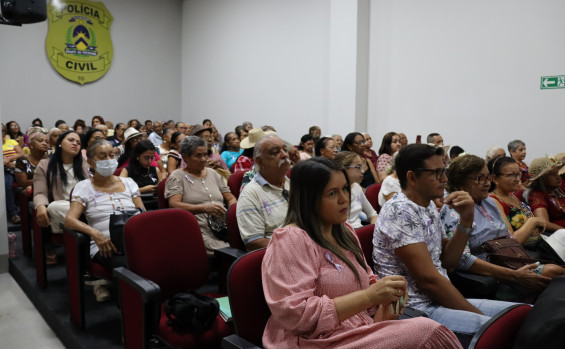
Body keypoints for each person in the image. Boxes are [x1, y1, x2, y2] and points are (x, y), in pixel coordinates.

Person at [262, 158, 463, 349]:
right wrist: (369, 297)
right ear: (308, 199)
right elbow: (297, 316)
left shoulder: (344, 230)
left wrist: (387, 295)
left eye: (344, 189)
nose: (344, 199)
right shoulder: (291, 240)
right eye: (332, 193)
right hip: (315, 341)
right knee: (426, 331)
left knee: (425, 330)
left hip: (356, 329)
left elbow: (366, 277)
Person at [373, 143, 518, 340]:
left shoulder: (427, 205)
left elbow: (448, 262)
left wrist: (466, 219)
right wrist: (482, 318)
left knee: (526, 313)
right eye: (437, 173)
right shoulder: (400, 211)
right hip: (415, 310)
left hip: (438, 301)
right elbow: (429, 281)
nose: (444, 179)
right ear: (412, 177)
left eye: (445, 171)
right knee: (507, 330)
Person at [441, 154, 562, 299]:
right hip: (492, 275)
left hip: (511, 262)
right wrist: (514, 275)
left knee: (558, 273)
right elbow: (462, 259)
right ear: (461, 184)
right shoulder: (453, 210)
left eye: (488, 177)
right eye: (480, 178)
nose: (487, 183)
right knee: (554, 273)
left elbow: (508, 239)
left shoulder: (489, 202)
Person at [65, 139, 145, 302]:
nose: (109, 160)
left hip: (134, 240)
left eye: (111, 155)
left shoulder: (128, 183)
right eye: (102, 156)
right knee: (134, 266)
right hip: (106, 245)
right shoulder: (84, 187)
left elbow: (142, 212)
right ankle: (132, 312)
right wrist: (95, 234)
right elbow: (70, 220)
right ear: (91, 162)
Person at [165, 136, 237, 255]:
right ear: (185, 157)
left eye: (205, 154)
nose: (203, 159)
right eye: (198, 155)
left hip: (223, 227)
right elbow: (174, 205)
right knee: (231, 252)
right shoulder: (177, 177)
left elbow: (230, 198)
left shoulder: (213, 173)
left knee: (248, 245)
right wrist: (204, 208)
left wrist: (231, 214)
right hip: (198, 230)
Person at [34, 131, 90, 264]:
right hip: (64, 206)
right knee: (54, 207)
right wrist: (41, 206)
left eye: (78, 142)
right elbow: (39, 192)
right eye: (71, 140)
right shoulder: (45, 164)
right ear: (59, 143)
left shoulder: (85, 163)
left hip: (85, 205)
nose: (75, 144)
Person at [236, 135, 291, 251]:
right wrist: (293, 247)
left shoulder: (292, 184)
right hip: (280, 256)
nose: (284, 155)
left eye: (285, 150)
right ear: (260, 162)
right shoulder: (251, 195)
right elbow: (254, 243)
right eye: (275, 152)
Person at [488, 156, 546, 243]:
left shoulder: (512, 196)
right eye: (511, 175)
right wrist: (534, 221)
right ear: (495, 178)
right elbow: (512, 240)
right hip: (522, 252)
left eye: (518, 174)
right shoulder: (493, 201)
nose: (517, 179)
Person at [334, 151, 378, 228]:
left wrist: (372, 230)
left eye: (362, 167)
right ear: (344, 169)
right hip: (346, 234)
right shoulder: (334, 193)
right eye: (358, 167)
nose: (363, 171)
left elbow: (372, 214)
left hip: (360, 231)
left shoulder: (356, 187)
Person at [524, 157, 565, 231]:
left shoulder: (558, 189)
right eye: (553, 174)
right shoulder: (537, 195)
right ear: (542, 179)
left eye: (557, 173)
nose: (558, 177)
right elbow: (543, 222)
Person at [14, 127, 49, 196]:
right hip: (31, 193)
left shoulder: (51, 159)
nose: (44, 143)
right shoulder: (22, 160)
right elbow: (23, 182)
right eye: (40, 140)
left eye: (47, 142)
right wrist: (44, 179)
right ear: (31, 143)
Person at [3, 123, 25, 224]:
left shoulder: (11, 141)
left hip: (14, 167)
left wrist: (9, 159)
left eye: (3, 131)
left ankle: (17, 212)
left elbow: (21, 153)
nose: (1, 133)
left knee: (7, 185)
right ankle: (12, 212)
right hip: (4, 169)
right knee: (6, 185)